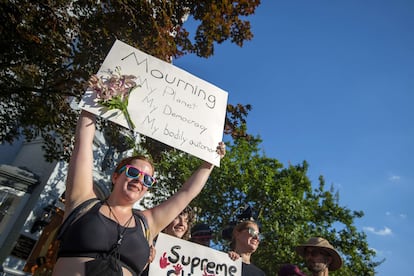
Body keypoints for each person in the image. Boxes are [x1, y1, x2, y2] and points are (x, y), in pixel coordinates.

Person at [52, 109, 226, 276]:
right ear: (115, 176)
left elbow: (187, 193)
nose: (139, 180)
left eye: (147, 179)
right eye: (133, 173)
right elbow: (83, 143)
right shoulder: (83, 202)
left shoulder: (147, 224)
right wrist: (92, 103)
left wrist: (209, 163)